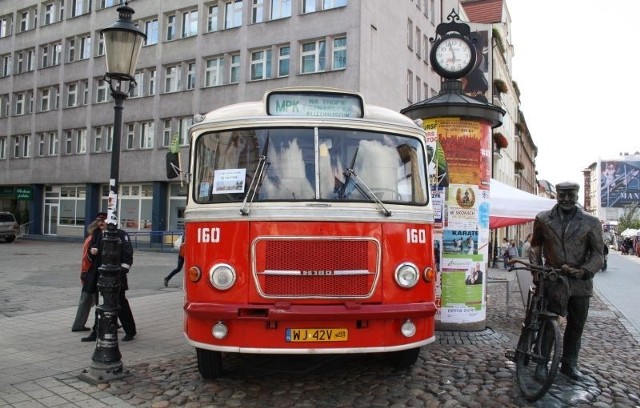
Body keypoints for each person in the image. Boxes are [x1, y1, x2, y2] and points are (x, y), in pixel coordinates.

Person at [529, 182, 603, 381]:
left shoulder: (591, 222)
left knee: (576, 326)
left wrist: (584, 270)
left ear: (577, 195)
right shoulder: (543, 219)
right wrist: (536, 272)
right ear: (557, 195)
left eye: (571, 195)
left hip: (580, 283)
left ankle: (569, 364)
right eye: (563, 195)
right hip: (553, 279)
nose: (567, 199)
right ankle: (542, 363)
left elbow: (598, 255)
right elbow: (535, 246)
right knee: (548, 323)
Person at [82, 212, 137, 342]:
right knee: (100, 303)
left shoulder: (120, 234)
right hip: (100, 274)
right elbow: (90, 253)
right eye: (99, 221)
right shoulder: (96, 234)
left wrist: (121, 271)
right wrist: (92, 252)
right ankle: (97, 331)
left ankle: (130, 330)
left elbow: (128, 254)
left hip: (116, 274)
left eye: (103, 221)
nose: (100, 223)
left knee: (120, 302)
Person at [71, 219, 102, 332]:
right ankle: (78, 324)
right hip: (90, 273)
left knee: (90, 299)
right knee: (88, 299)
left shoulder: (90, 239)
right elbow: (87, 257)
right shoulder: (92, 240)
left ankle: (79, 324)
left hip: (88, 272)